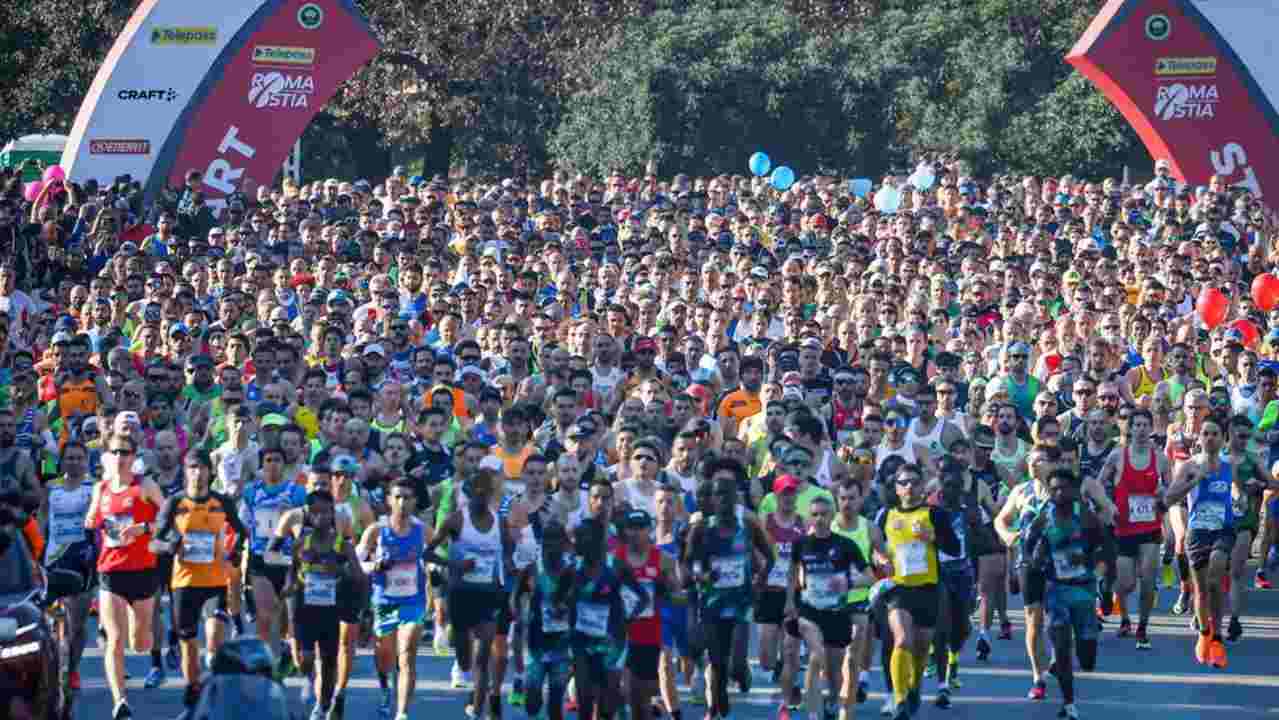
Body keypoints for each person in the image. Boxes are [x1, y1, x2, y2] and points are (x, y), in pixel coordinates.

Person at [150, 450, 247, 720]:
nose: (198, 473)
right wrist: (171, 546)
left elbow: (241, 530)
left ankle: (214, 695)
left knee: (215, 644)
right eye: (192, 467)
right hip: (185, 583)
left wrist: (236, 552)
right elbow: (153, 542)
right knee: (189, 647)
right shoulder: (175, 503)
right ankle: (192, 696)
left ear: (209, 471)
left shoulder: (222, 502)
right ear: (186, 470)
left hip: (216, 582)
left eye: (202, 468)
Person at [868, 462, 961, 720]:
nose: (909, 487)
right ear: (896, 489)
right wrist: (879, 559)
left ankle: (914, 686)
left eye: (914, 482)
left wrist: (933, 537)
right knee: (901, 640)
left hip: (928, 589)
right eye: (903, 482)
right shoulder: (885, 516)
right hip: (898, 589)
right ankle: (899, 700)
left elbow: (954, 548)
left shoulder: (935, 514)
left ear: (922, 487)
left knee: (921, 648)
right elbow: (874, 547)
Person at [684, 459, 774, 720]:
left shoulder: (747, 526)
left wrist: (760, 581)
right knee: (718, 661)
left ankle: (741, 672)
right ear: (711, 498)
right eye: (718, 494)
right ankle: (717, 709)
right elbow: (688, 565)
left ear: (736, 497)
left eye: (728, 494)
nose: (722, 499)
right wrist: (702, 576)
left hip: (742, 602)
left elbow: (770, 557)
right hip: (713, 602)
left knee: (734, 663)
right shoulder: (701, 529)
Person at [1023, 468, 1114, 720]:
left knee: (1086, 657)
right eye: (1054, 489)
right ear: (1049, 492)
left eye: (1064, 488)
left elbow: (1105, 550)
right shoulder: (1043, 519)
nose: (1059, 493)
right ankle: (1069, 702)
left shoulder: (1086, 517)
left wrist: (1105, 587)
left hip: (1084, 590)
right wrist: (1036, 560)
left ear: (1074, 491)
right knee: (1061, 647)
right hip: (1056, 591)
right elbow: (1028, 551)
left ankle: (1084, 648)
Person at [86, 432, 164, 720]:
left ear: (135, 457)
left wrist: (142, 529)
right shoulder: (101, 488)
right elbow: (92, 519)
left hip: (143, 569)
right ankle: (120, 702)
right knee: (115, 639)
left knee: (139, 642)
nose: (120, 458)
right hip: (110, 569)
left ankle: (145, 637)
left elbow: (169, 520)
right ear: (109, 455)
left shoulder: (145, 486)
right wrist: (93, 522)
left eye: (126, 453)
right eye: (116, 452)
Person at [424, 468, 509, 720]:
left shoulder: (499, 522)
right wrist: (456, 566)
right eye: (475, 494)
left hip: (488, 595)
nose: (480, 499)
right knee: (464, 658)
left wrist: (504, 581)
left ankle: (477, 711)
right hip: (460, 595)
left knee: (483, 656)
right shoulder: (455, 520)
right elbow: (427, 553)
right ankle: (465, 672)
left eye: (485, 494)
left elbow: (506, 554)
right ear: (468, 494)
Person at [784, 494, 872, 720]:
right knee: (815, 656)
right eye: (815, 515)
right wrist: (790, 601)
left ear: (832, 515)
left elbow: (870, 577)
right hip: (809, 612)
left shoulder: (845, 545)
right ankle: (813, 714)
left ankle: (832, 699)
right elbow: (792, 572)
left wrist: (848, 582)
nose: (819, 519)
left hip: (836, 613)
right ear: (809, 518)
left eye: (824, 514)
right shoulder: (801, 544)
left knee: (834, 673)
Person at [279, 488, 364, 719]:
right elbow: (292, 571)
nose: (321, 518)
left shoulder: (343, 546)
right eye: (315, 513)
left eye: (326, 513)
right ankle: (308, 679)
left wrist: (339, 570)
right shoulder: (300, 544)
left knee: (328, 663)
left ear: (332, 514)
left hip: (331, 610)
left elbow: (358, 576)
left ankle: (323, 705)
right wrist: (289, 587)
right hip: (305, 608)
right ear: (308, 515)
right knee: (306, 657)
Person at [1163, 412, 1239, 669]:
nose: (1209, 438)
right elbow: (1170, 497)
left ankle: (1217, 638)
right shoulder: (1189, 465)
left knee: (1216, 577)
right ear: (1199, 437)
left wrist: (1243, 492)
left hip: (1223, 528)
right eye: (1205, 433)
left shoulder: (1231, 465)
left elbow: (1239, 489)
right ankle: (1204, 633)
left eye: (1214, 434)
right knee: (1202, 590)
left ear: (1223, 438)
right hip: (1197, 531)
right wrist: (1195, 479)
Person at [1096, 408, 1170, 648]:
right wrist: (1108, 505)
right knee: (1126, 583)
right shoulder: (1117, 456)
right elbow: (1098, 485)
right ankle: (1125, 617)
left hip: (1150, 527)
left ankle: (1143, 627)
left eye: (1144, 425)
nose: (1140, 429)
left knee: (1148, 579)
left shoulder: (1160, 458)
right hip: (1124, 527)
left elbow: (1171, 490)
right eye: (1136, 425)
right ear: (1130, 428)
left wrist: (1163, 494)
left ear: (1150, 428)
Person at [40, 441, 97, 695]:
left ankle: (72, 668)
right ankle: (50, 666)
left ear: (86, 460)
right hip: (54, 557)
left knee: (78, 623)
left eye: (79, 458)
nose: (74, 462)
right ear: (62, 461)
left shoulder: (94, 487)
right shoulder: (50, 488)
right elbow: (42, 520)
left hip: (83, 558)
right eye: (69, 458)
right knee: (49, 618)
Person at [616, 509, 678, 720]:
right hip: (620, 633)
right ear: (625, 531)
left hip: (648, 634)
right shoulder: (616, 558)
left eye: (640, 528)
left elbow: (678, 596)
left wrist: (665, 588)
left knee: (641, 699)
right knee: (624, 690)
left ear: (649, 530)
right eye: (632, 528)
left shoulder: (663, 560)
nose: (636, 533)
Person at [509, 521, 573, 720]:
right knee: (533, 701)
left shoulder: (572, 571)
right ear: (542, 542)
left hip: (562, 645)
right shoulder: (532, 569)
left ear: (565, 543)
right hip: (535, 643)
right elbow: (514, 596)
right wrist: (519, 616)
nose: (552, 544)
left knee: (555, 701)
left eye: (557, 539)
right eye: (548, 539)